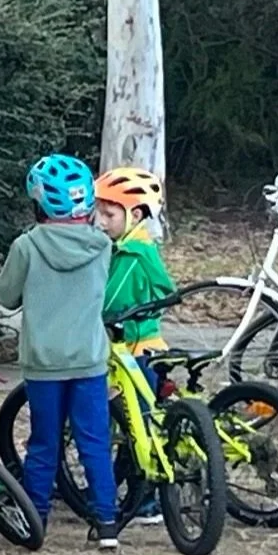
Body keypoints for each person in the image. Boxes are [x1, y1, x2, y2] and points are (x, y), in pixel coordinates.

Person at [0, 153, 120, 550]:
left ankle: (36, 521)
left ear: (39, 202)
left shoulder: (27, 246)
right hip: (89, 359)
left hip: (43, 362)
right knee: (94, 441)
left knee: (43, 443)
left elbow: (6, 296)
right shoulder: (102, 245)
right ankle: (106, 523)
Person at [93, 167, 176, 526]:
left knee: (135, 424)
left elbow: (107, 300)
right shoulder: (141, 247)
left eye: (109, 214)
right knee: (137, 423)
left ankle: (145, 502)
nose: (101, 222)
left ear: (136, 215)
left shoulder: (130, 253)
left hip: (134, 348)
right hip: (146, 344)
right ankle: (130, 492)